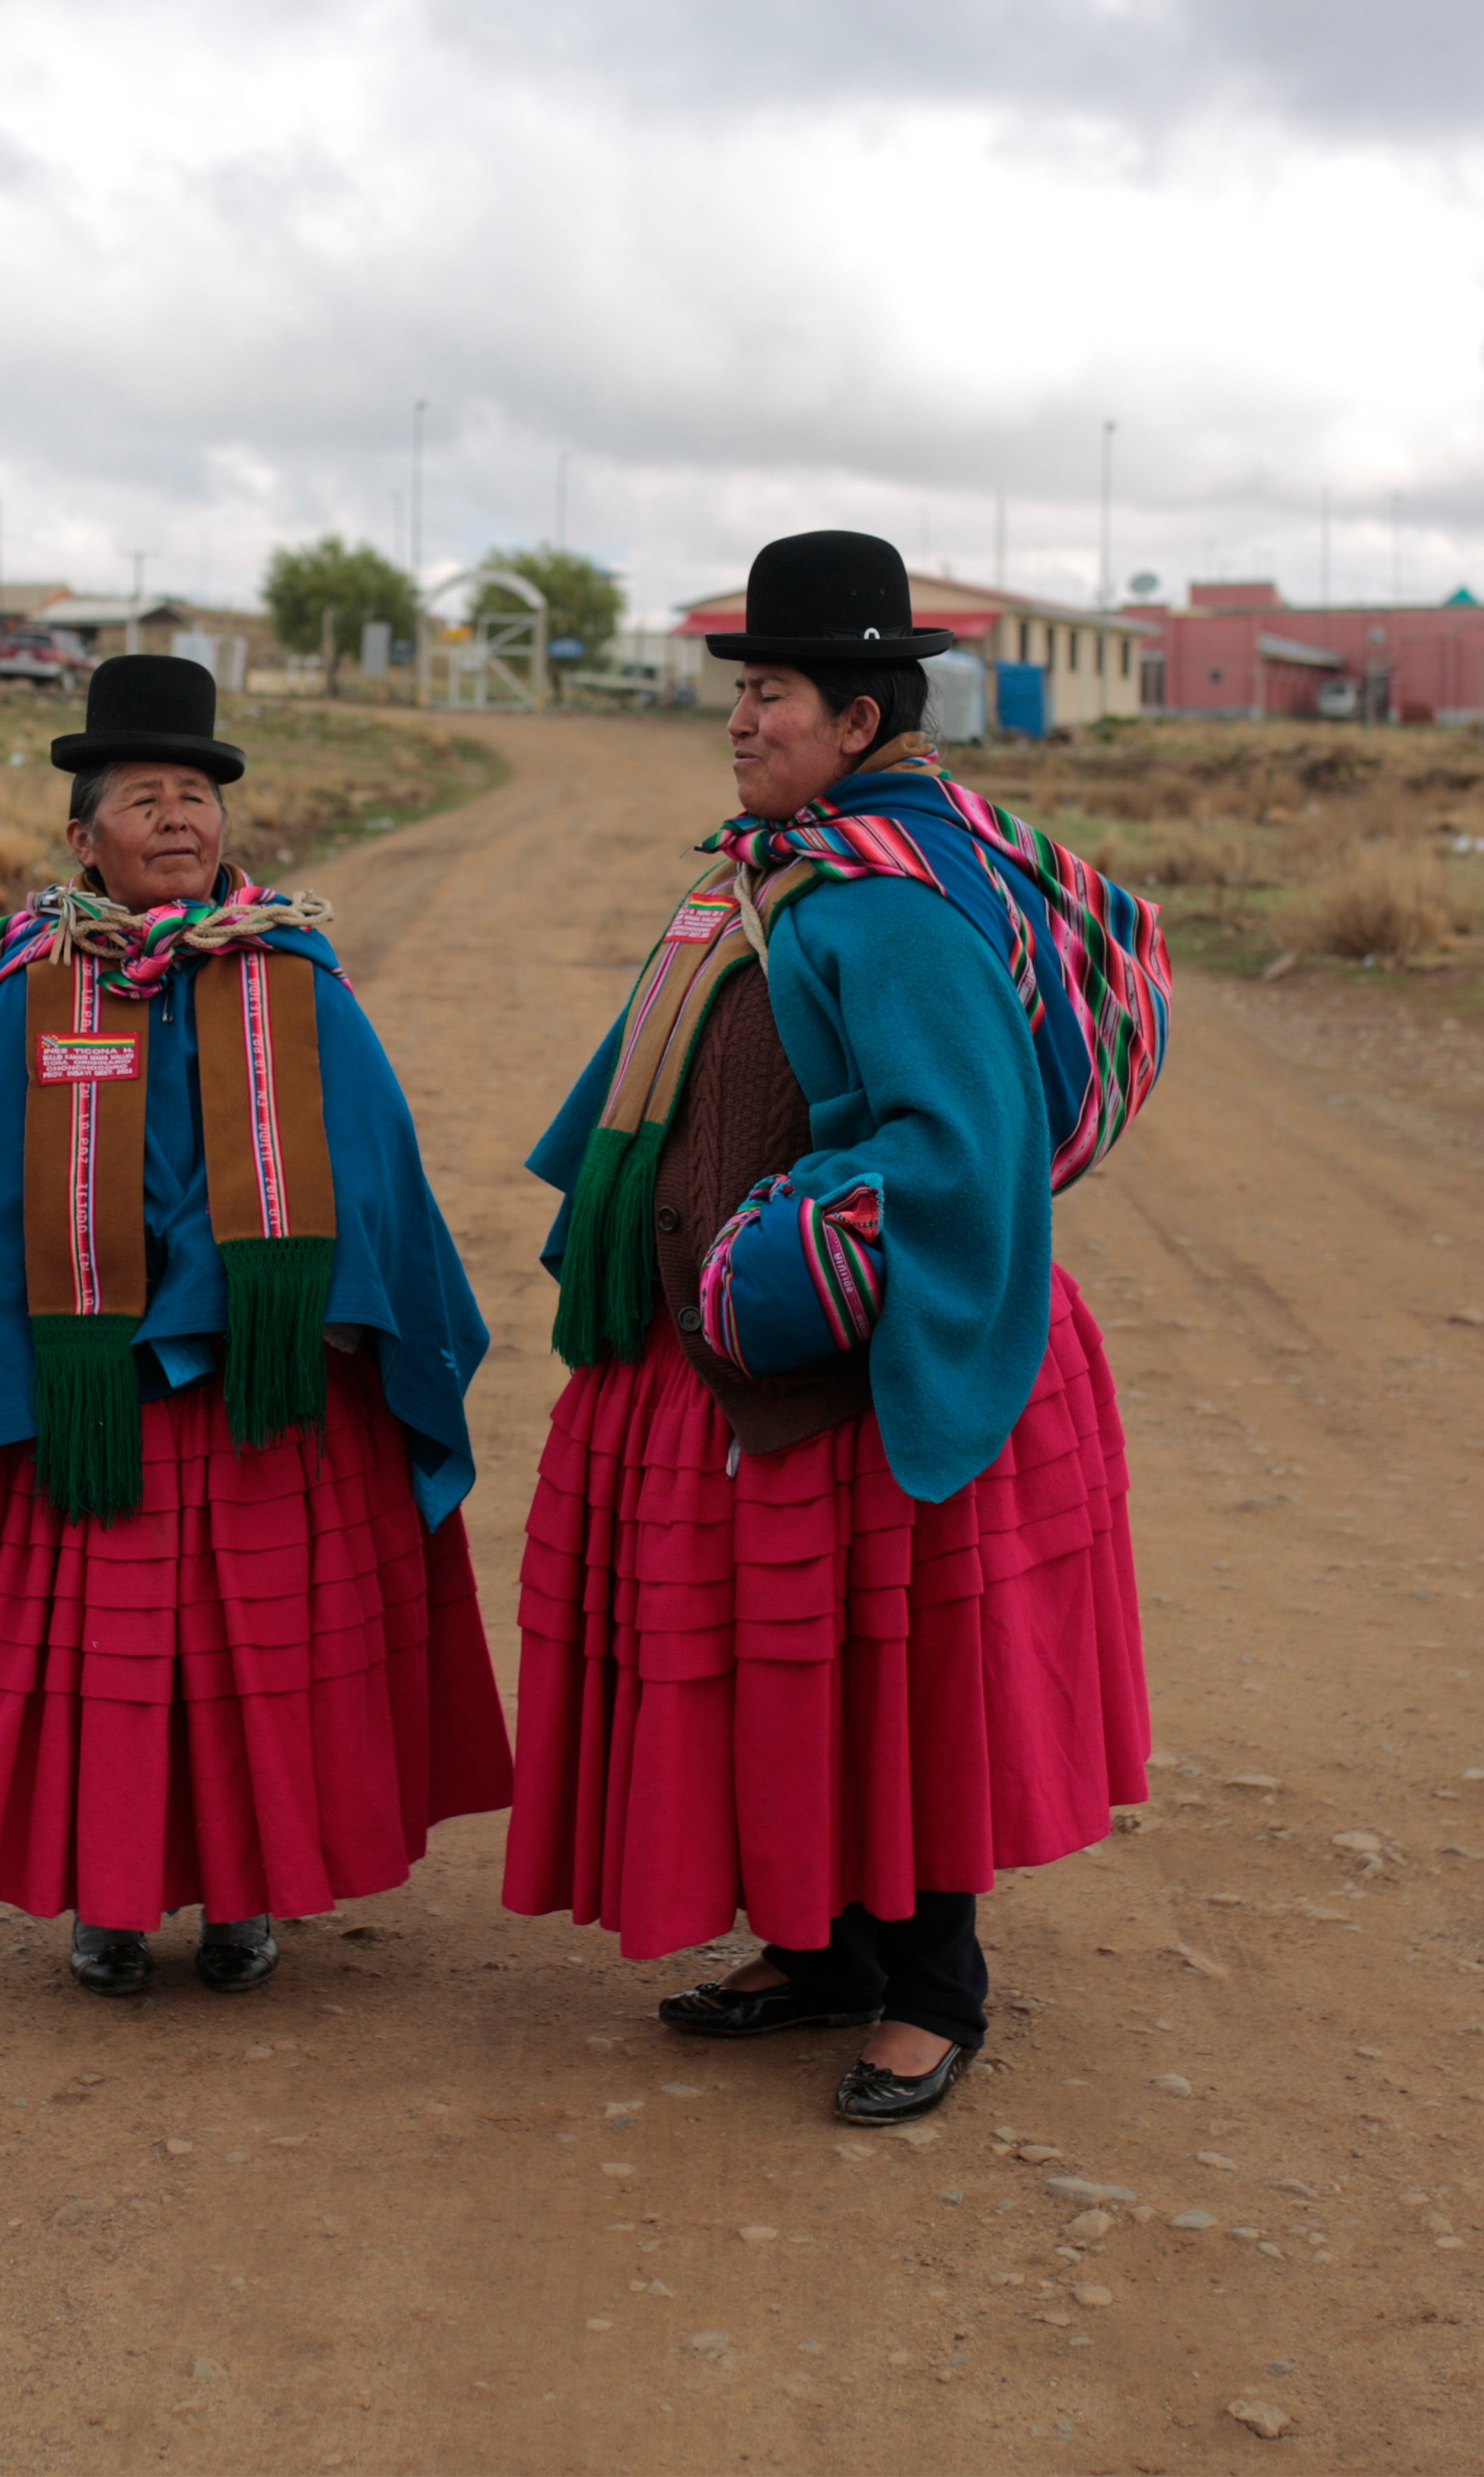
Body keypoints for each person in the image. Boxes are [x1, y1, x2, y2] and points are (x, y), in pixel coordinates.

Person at [500, 528, 1170, 2122]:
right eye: (738, 690)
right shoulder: (780, 867)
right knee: (786, 1674)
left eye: (773, 694)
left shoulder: (898, 903)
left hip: (859, 1355)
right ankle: (821, 1947)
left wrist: (783, 1265)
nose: (740, 720)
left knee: (891, 1678)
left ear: (860, 721)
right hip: (747, 1362)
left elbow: (959, 1154)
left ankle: (935, 1989)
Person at [0, 652, 510, 1996]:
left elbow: (372, 1171)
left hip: (266, 1398)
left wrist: (256, 1305)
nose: (181, 820)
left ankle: (244, 1897)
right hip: (86, 1413)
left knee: (252, 1652)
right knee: (114, 1664)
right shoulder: (26, 992)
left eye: (198, 795)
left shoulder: (297, 981)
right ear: (84, 840)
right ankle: (109, 1904)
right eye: (146, 798)